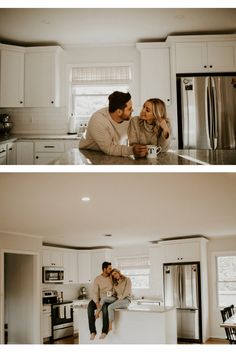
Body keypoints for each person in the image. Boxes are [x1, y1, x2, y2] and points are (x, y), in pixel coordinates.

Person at [79, 91, 147, 157]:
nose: (132, 110)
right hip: (87, 153)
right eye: (129, 109)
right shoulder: (98, 121)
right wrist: (132, 150)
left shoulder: (127, 119)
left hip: (109, 152)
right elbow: (109, 148)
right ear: (119, 112)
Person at [87, 261, 113, 340]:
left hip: (107, 299)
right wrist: (97, 303)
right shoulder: (97, 279)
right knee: (90, 308)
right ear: (104, 269)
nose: (111, 270)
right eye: (109, 268)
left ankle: (104, 331)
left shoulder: (112, 278)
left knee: (105, 309)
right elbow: (95, 292)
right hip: (98, 299)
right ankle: (93, 331)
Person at [107, 268, 132, 333]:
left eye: (115, 273)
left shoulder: (127, 279)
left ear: (118, 272)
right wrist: (111, 293)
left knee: (110, 307)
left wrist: (120, 298)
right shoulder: (115, 284)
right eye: (113, 275)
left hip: (126, 300)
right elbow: (114, 294)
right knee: (106, 302)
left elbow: (127, 291)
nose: (115, 276)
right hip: (119, 301)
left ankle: (110, 325)